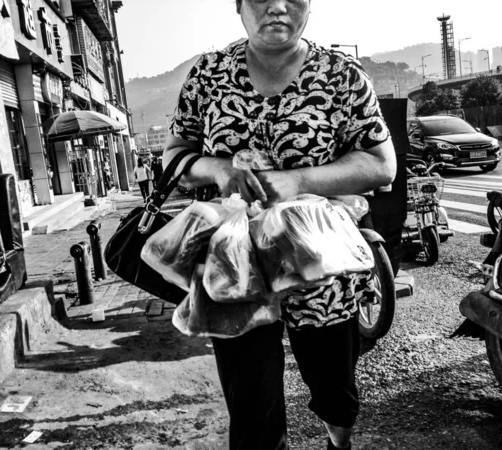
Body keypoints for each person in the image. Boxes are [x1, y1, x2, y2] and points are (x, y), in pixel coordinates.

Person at [163, 1, 397, 449]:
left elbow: (381, 164)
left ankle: (338, 440)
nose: (276, 6)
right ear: (237, 5)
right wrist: (217, 170)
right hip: (235, 270)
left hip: (320, 264)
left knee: (335, 391)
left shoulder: (341, 76)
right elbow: (174, 157)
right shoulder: (209, 75)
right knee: (251, 408)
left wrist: (298, 180)